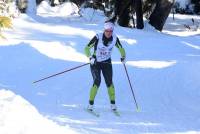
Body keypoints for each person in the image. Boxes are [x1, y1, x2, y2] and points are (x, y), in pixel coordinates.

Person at [84, 21, 126, 111]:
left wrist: (123, 56)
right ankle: (90, 104)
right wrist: (90, 57)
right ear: (104, 30)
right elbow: (86, 48)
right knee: (97, 81)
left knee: (109, 82)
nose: (108, 33)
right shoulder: (98, 37)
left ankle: (113, 105)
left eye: (110, 31)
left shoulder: (114, 38)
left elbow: (121, 48)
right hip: (95, 63)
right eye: (107, 31)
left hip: (107, 63)